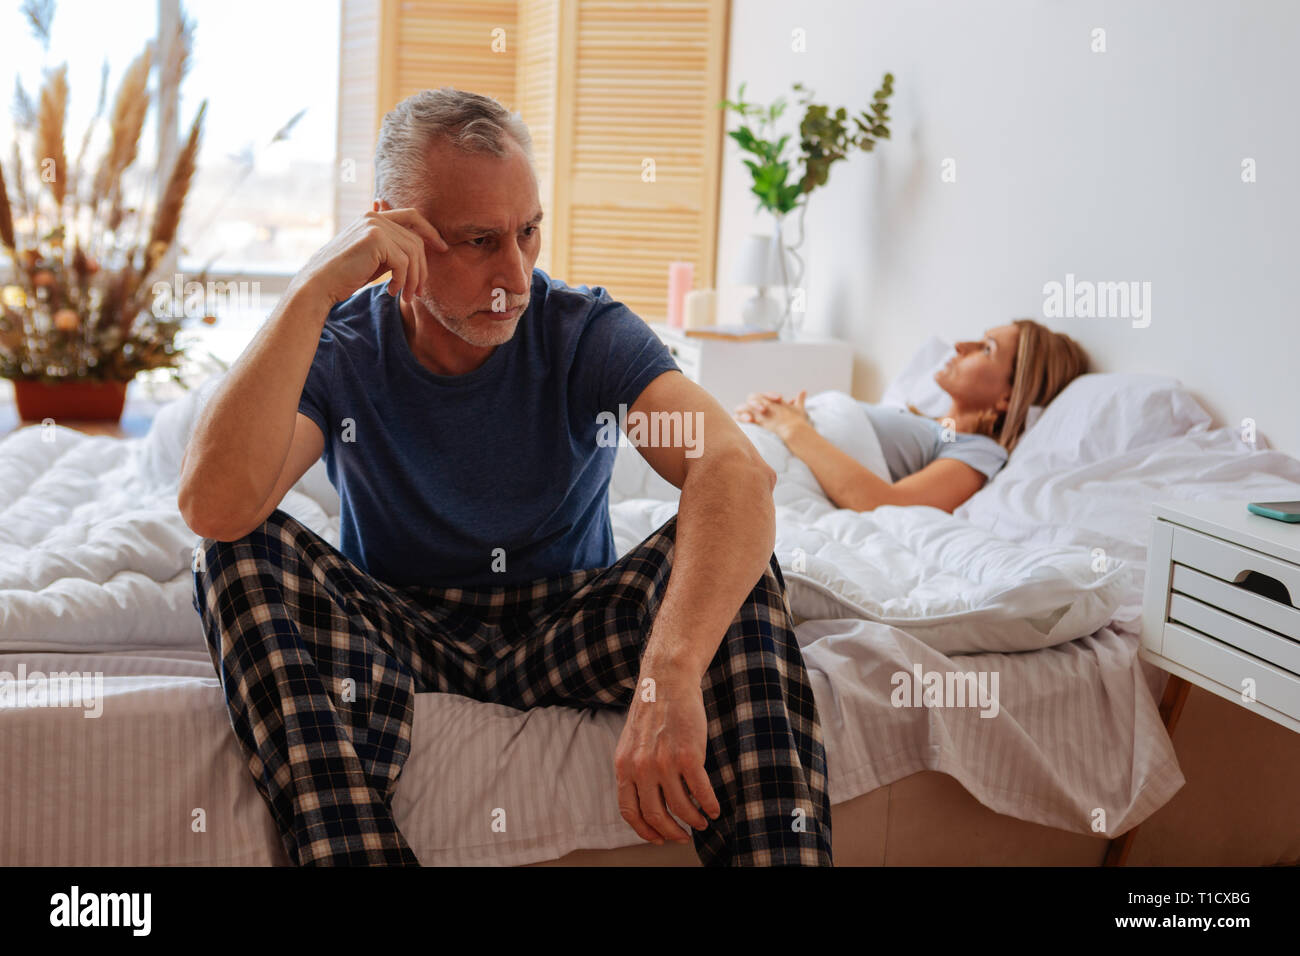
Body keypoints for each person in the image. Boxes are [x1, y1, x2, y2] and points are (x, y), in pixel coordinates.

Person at [179, 87, 831, 867]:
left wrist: (671, 670)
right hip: (403, 630)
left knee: (737, 561)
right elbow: (215, 508)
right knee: (233, 558)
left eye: (528, 233)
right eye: (481, 241)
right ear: (394, 229)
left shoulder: (583, 333)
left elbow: (733, 468)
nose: (515, 277)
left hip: (570, 623)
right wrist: (312, 288)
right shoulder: (344, 346)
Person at [734, 321, 1088, 513]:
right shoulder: (920, 421)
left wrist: (792, 427)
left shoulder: (978, 451)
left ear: (1008, 398)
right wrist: (775, 414)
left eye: (986, 349)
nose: (960, 346)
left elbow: (886, 505)